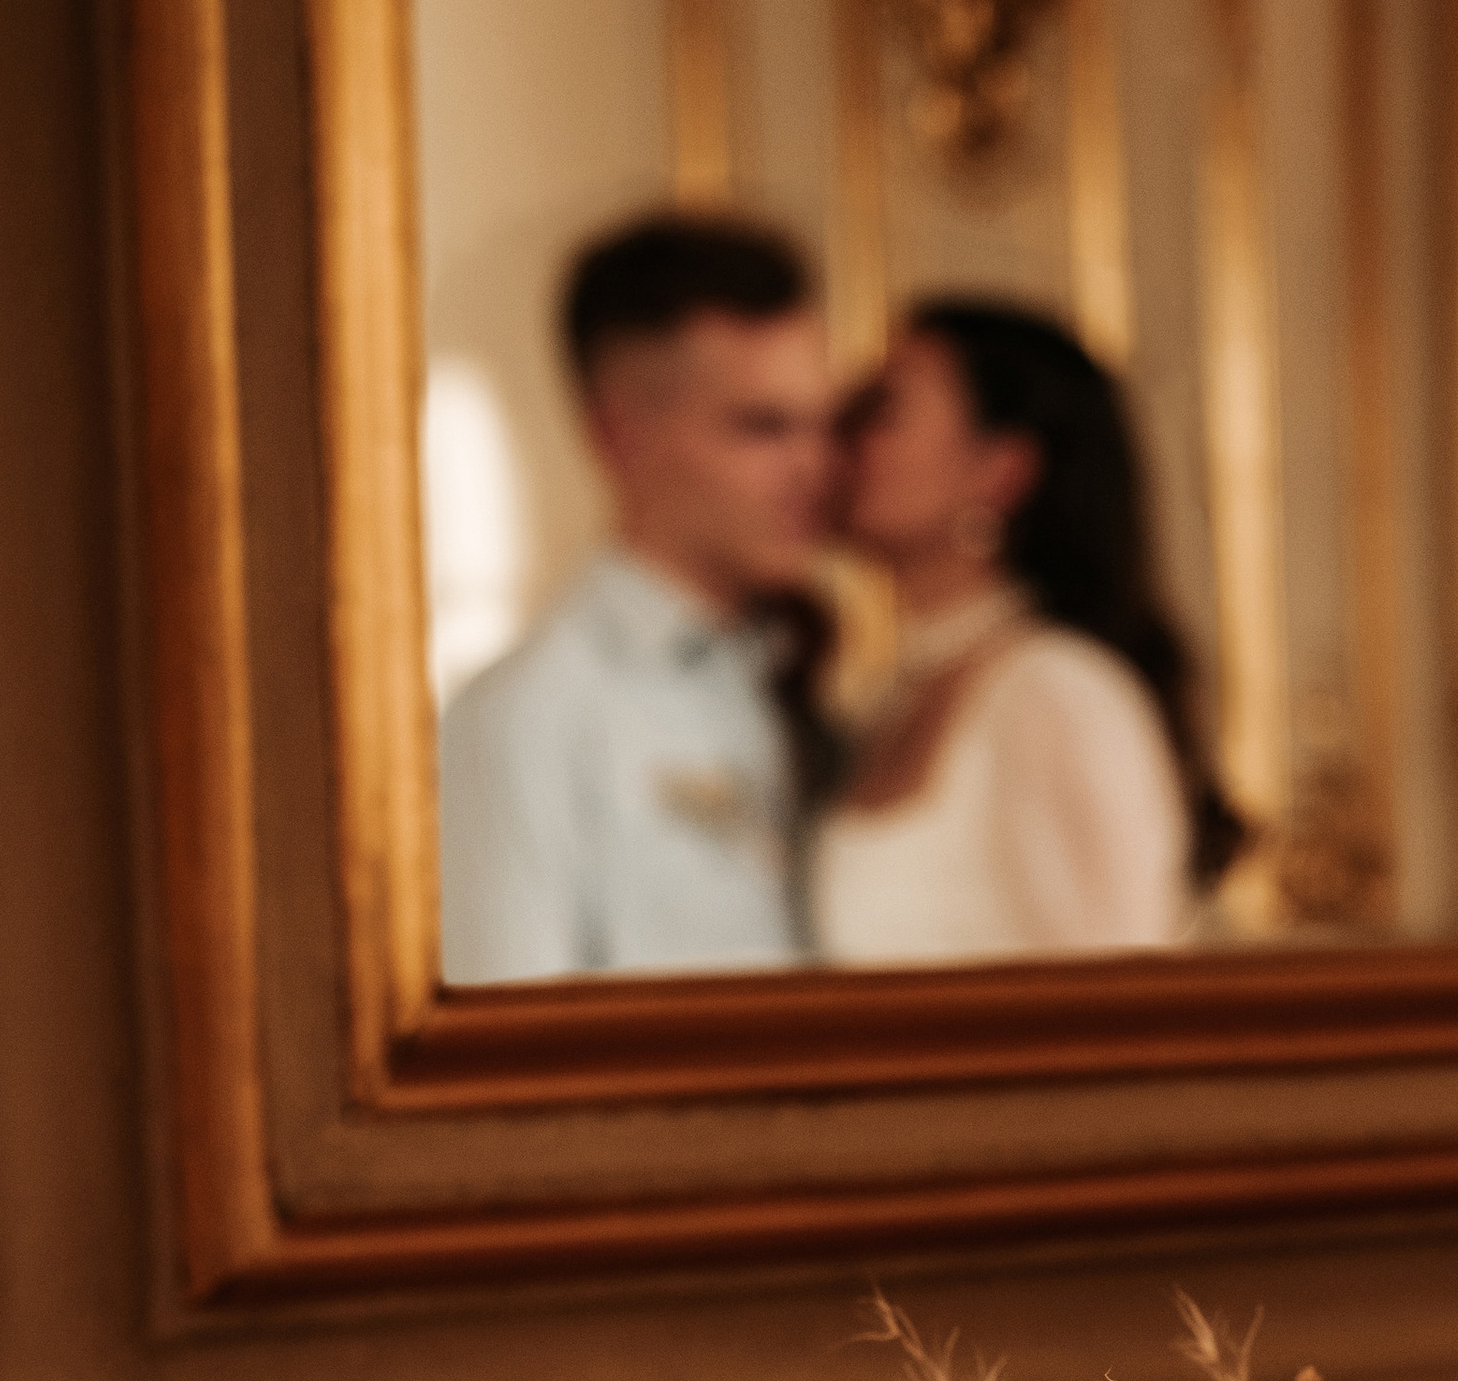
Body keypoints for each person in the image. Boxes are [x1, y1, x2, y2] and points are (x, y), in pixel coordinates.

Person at [437, 216, 834, 980]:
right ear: (620, 436)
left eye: (823, 425)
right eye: (762, 427)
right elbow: (514, 1039)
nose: (813, 469)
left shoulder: (793, 676)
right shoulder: (527, 716)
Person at [812, 299, 1244, 963]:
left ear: (1000, 469)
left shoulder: (1057, 690)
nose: (838, 441)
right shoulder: (883, 700)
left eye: (881, 412)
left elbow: (1120, 998)